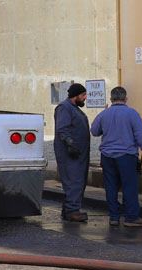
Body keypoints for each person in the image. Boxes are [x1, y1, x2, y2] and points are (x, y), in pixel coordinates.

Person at [90, 86, 142, 227]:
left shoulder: (104, 114)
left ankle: (114, 217)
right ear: (126, 99)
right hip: (126, 156)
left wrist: (103, 114)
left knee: (111, 187)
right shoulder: (132, 114)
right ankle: (131, 218)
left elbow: (94, 131)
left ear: (111, 99)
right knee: (129, 186)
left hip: (107, 156)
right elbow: (140, 135)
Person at [54, 83, 91, 222]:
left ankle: (69, 209)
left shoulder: (74, 108)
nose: (85, 98)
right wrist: (70, 144)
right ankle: (72, 211)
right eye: (83, 95)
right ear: (75, 96)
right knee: (74, 181)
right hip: (70, 154)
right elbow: (62, 129)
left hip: (78, 153)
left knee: (77, 180)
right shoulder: (65, 108)